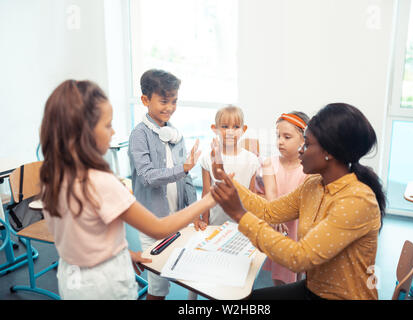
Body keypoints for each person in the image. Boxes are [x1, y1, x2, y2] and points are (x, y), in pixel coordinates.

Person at [39, 80, 215, 300]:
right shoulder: (101, 182)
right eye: (107, 125)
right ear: (83, 132)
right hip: (106, 285)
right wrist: (208, 201)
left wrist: (123, 254)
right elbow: (158, 229)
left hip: (72, 279)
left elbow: (80, 237)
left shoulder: (51, 175)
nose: (113, 132)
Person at [209, 103, 386, 300]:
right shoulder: (314, 184)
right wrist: (225, 177)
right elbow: (269, 211)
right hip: (314, 289)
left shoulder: (357, 200)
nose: (301, 150)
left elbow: (299, 258)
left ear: (329, 152)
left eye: (307, 144)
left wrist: (239, 215)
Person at [128, 69, 200, 300]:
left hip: (177, 217)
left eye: (174, 101)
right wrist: (184, 168)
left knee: (186, 272)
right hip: (152, 220)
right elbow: (147, 176)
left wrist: (194, 211)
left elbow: (187, 179)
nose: (170, 107)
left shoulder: (174, 134)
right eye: (164, 101)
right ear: (145, 100)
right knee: (158, 288)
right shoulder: (139, 135)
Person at [261, 111, 309, 286]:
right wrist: (277, 216)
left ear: (304, 140)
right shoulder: (269, 163)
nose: (280, 141)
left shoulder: (308, 169)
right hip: (279, 226)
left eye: (287, 137)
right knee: (280, 278)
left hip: (300, 226)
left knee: (299, 276)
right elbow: (271, 195)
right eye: (278, 136)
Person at [194, 105, 259, 228]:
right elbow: (206, 193)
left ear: (243, 129)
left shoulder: (252, 160)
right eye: (224, 127)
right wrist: (205, 220)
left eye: (235, 127)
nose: (230, 131)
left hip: (242, 225)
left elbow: (252, 195)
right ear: (215, 129)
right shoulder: (207, 158)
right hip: (215, 223)